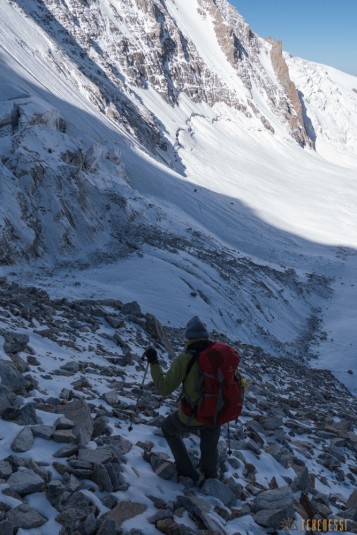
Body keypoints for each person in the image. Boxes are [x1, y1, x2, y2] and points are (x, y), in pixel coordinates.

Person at [144, 316, 221, 483]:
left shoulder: (185, 358)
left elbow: (164, 388)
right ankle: (210, 475)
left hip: (194, 415)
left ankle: (187, 472)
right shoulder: (219, 354)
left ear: (189, 336)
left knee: (168, 428)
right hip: (217, 412)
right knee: (210, 431)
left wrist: (154, 363)